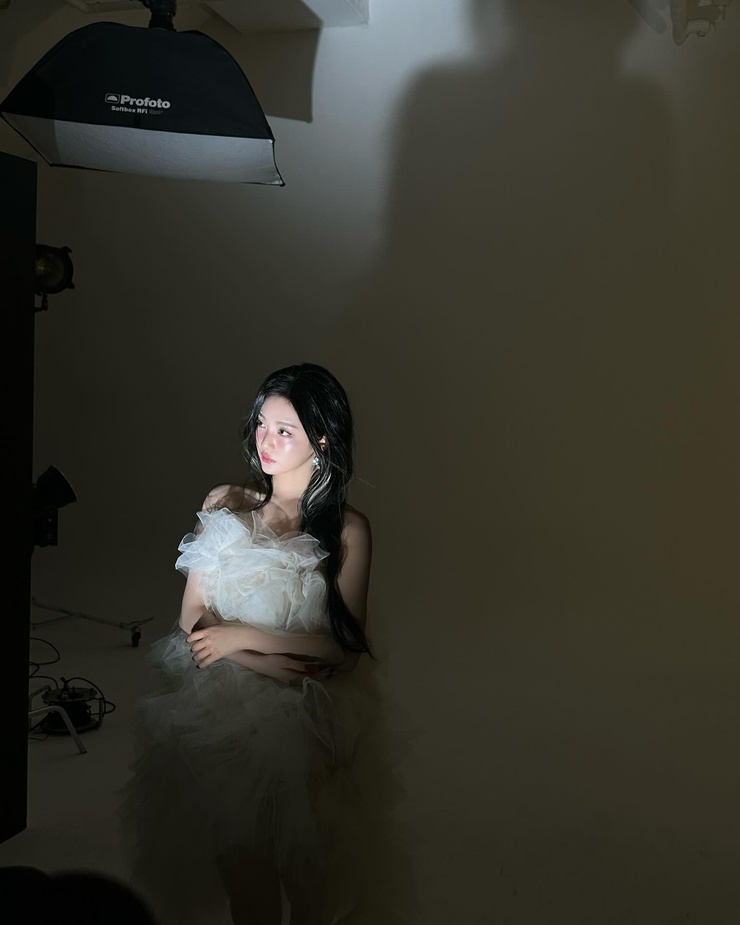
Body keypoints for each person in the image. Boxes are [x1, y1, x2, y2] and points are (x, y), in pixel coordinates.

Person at [120, 363, 389, 925]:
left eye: (284, 431)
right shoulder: (227, 506)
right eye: (262, 424)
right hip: (221, 709)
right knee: (244, 873)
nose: (266, 441)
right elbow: (193, 619)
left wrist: (241, 636)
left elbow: (341, 648)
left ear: (322, 440)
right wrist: (262, 661)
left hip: (307, 717)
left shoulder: (347, 529)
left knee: (310, 881)